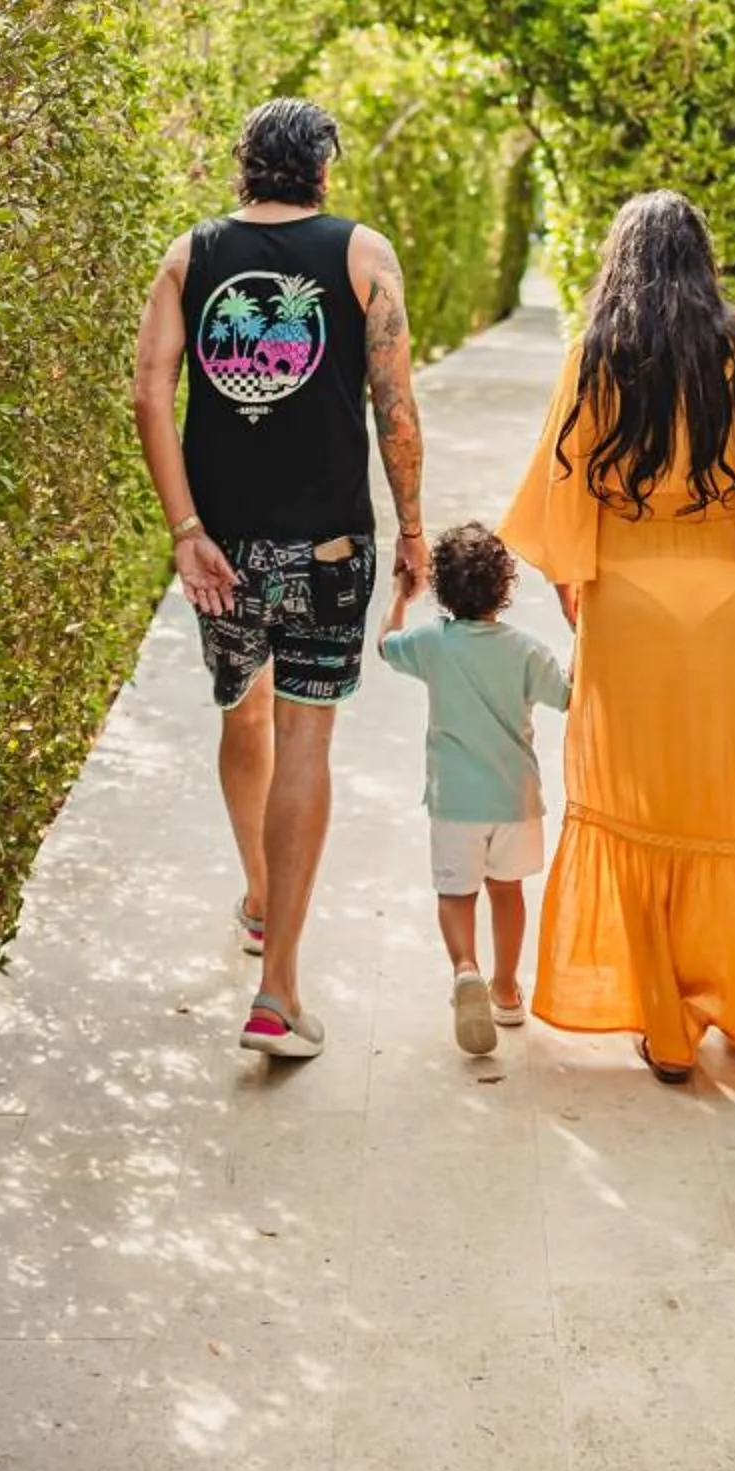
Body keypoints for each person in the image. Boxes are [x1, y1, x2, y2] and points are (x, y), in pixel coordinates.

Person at [501, 190, 735, 1085]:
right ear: (704, 260)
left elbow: (556, 499)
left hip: (630, 611)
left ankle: (664, 1028)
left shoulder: (595, 356)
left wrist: (581, 593)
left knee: (643, 810)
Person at [133, 97, 428, 1063]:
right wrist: (415, 529)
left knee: (242, 715)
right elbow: (395, 406)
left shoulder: (190, 255)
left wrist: (185, 531)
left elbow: (148, 391)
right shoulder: (361, 254)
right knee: (305, 732)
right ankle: (279, 991)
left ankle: (260, 894)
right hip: (330, 549)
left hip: (221, 553)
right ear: (323, 171)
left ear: (243, 166)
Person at [379, 521, 571, 1058]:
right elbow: (570, 697)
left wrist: (398, 594)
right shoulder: (527, 651)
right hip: (515, 802)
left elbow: (385, 647)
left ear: (441, 587)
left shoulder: (431, 643)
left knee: (455, 893)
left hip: (454, 803)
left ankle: (466, 968)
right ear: (503, 588)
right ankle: (506, 990)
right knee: (507, 892)